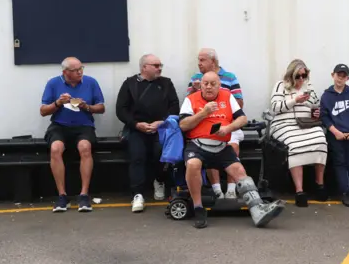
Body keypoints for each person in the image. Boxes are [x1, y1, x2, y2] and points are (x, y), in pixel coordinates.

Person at [179, 71, 285, 229]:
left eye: (213, 84)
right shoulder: (190, 99)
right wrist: (204, 113)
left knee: (239, 170)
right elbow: (183, 125)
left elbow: (242, 119)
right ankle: (198, 208)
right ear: (200, 84)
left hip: (221, 146)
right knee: (193, 164)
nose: (208, 87)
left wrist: (228, 128)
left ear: (219, 85)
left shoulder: (227, 97)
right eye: (205, 83)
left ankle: (258, 210)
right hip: (197, 144)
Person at [115, 54, 180, 213]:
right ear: (144, 67)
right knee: (137, 155)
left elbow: (174, 106)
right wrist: (136, 124)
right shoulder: (130, 84)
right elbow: (121, 109)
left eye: (160, 65)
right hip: (137, 128)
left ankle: (159, 181)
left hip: (161, 128)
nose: (160, 68)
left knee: (161, 153)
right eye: (156, 65)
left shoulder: (166, 83)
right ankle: (137, 194)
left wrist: (162, 122)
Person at [40, 57, 105, 213]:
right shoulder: (53, 83)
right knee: (56, 148)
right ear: (65, 72)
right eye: (75, 70)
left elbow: (101, 108)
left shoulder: (91, 82)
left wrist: (86, 106)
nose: (79, 72)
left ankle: (84, 194)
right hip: (59, 126)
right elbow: (43, 111)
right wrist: (57, 103)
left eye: (81, 68)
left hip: (84, 125)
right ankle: (62, 195)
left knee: (85, 147)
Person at [269, 59, 328, 207]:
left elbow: (316, 104)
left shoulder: (309, 86)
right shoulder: (281, 86)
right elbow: (275, 107)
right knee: (294, 144)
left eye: (304, 75)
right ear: (291, 75)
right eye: (298, 76)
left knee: (321, 140)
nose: (301, 79)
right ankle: (299, 190)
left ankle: (319, 184)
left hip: (307, 123)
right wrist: (295, 100)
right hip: (285, 124)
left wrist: (315, 110)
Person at [186, 48, 244, 199]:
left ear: (213, 61)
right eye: (198, 60)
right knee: (209, 141)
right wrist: (196, 90)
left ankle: (231, 189)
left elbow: (239, 104)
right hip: (203, 125)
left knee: (233, 144)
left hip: (228, 122)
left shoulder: (230, 77)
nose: (199, 63)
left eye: (202, 60)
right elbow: (189, 103)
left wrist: (220, 95)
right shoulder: (195, 78)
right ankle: (217, 190)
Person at [319, 64, 349, 207]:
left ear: (348, 78)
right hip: (336, 136)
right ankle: (345, 192)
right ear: (332, 75)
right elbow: (325, 117)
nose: (340, 78)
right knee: (340, 163)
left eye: (343, 76)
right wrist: (336, 132)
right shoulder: (326, 96)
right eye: (338, 75)